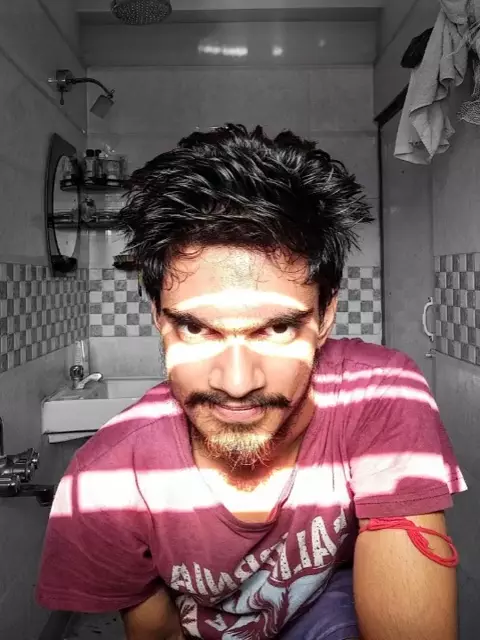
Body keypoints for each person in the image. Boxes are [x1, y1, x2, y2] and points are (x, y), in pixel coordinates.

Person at [36, 124, 466, 640]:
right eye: (196, 328)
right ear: (156, 315)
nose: (237, 384)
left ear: (326, 315)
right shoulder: (104, 482)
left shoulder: (380, 393)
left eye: (278, 328)